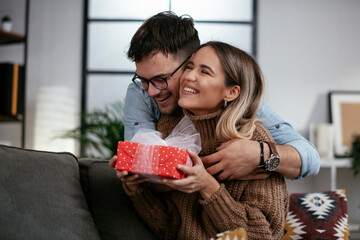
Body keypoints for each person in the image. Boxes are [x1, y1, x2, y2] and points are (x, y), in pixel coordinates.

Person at [117, 11, 320, 181]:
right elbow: (143, 164)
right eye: (143, 79)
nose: (152, 91)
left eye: (161, 78)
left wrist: (258, 154)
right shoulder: (139, 92)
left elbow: (309, 157)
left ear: (191, 63)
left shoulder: (235, 97)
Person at [116, 41, 289, 239]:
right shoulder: (168, 128)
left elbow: (262, 235)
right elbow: (170, 227)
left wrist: (207, 186)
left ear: (231, 92)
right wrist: (136, 189)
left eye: (205, 72)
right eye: (189, 67)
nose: (188, 76)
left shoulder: (254, 140)